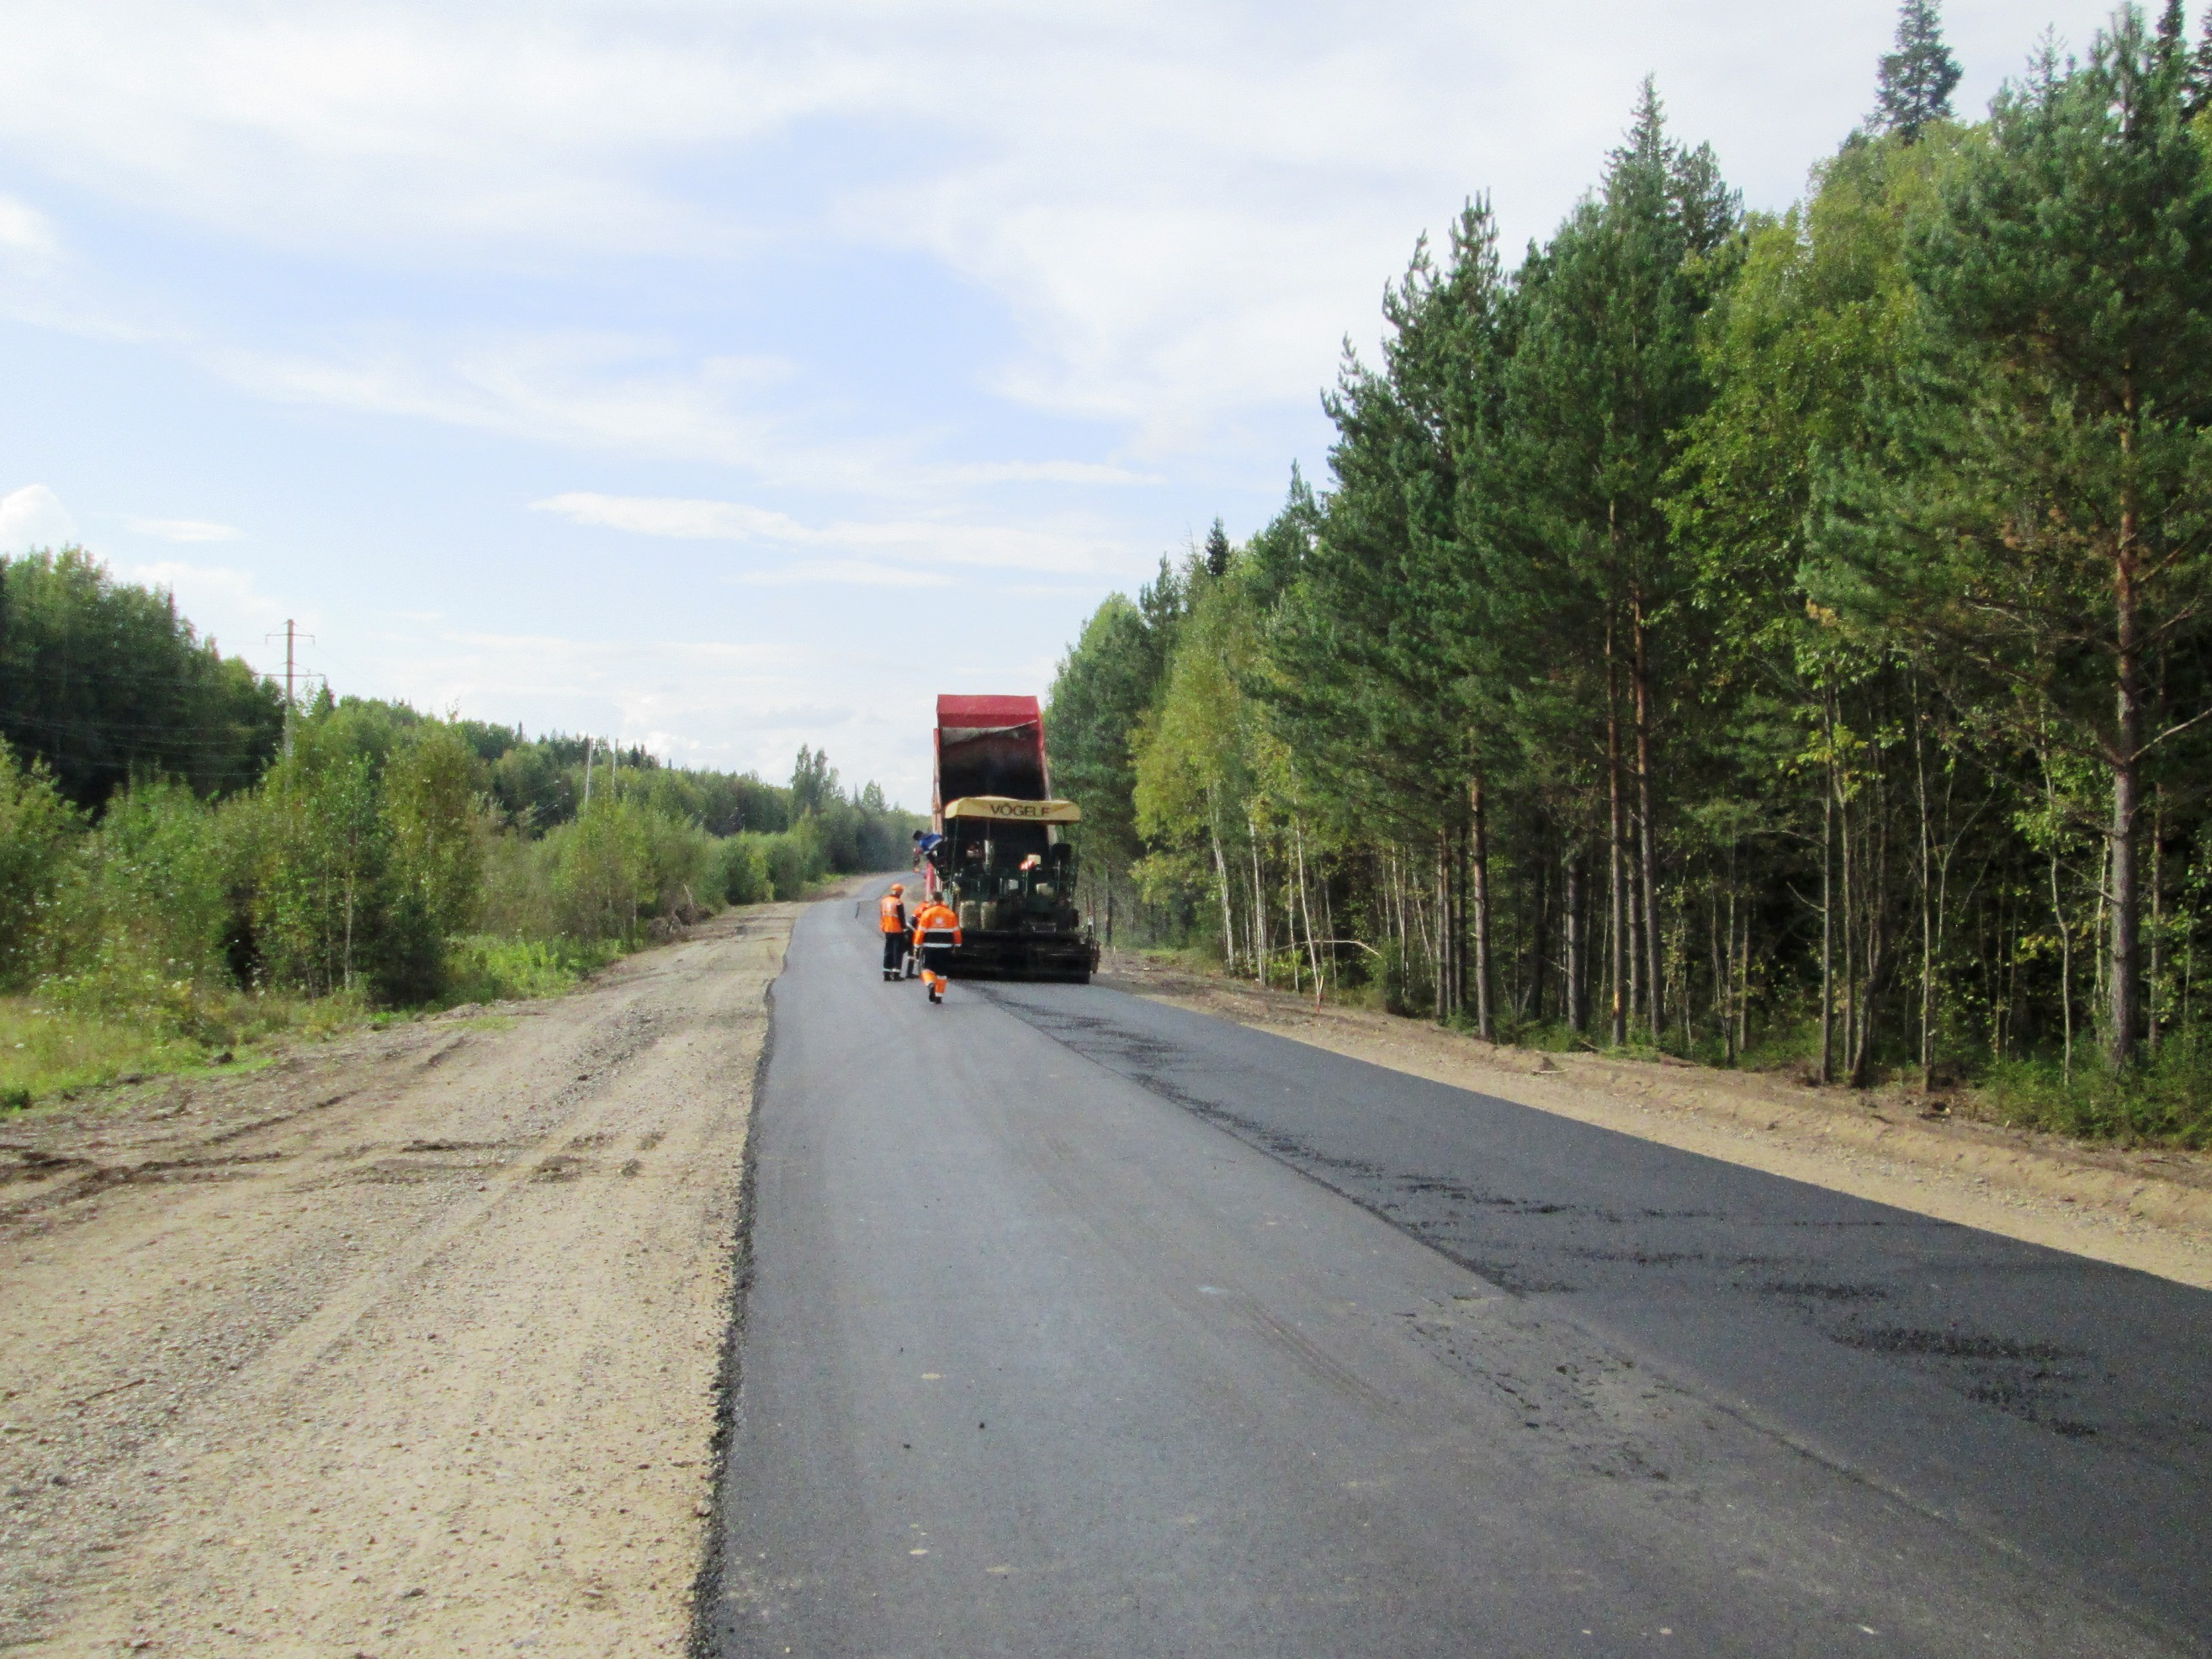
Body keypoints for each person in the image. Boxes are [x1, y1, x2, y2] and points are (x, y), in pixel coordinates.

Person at [910, 894, 963, 1005]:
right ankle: (939, 996)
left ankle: (930, 984)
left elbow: (920, 932)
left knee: (926, 969)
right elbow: (956, 932)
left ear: (933, 900)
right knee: (942, 973)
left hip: (930, 947)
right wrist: (957, 946)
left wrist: (917, 946)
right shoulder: (950, 914)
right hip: (945, 948)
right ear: (942, 900)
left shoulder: (927, 914)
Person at [878, 883, 910, 982]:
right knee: (897, 951)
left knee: (888, 950)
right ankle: (896, 974)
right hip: (897, 930)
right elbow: (901, 918)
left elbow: (882, 915)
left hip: (887, 929)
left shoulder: (884, 901)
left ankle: (886, 974)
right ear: (899, 892)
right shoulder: (898, 902)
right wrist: (905, 930)